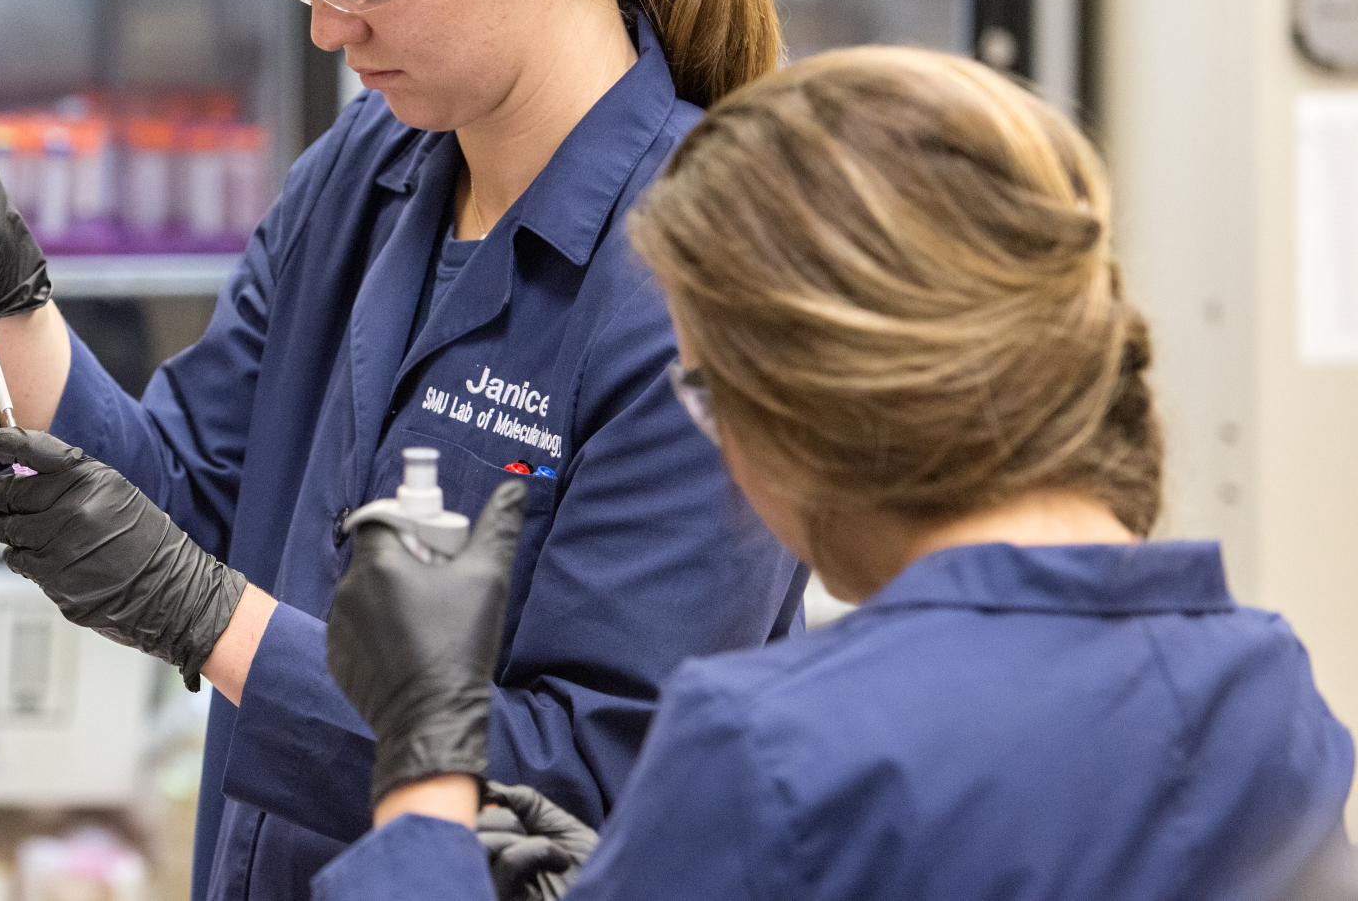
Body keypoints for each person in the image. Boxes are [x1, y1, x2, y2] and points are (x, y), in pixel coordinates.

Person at [0, 0, 807, 901]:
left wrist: (215, 622)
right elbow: (180, 499)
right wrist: (5, 285)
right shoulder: (374, 163)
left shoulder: (700, 274)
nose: (324, 25)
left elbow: (587, 784)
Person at [315, 47, 1357, 901]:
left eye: (706, 394)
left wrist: (427, 773)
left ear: (809, 401)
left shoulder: (771, 747)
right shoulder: (1263, 687)